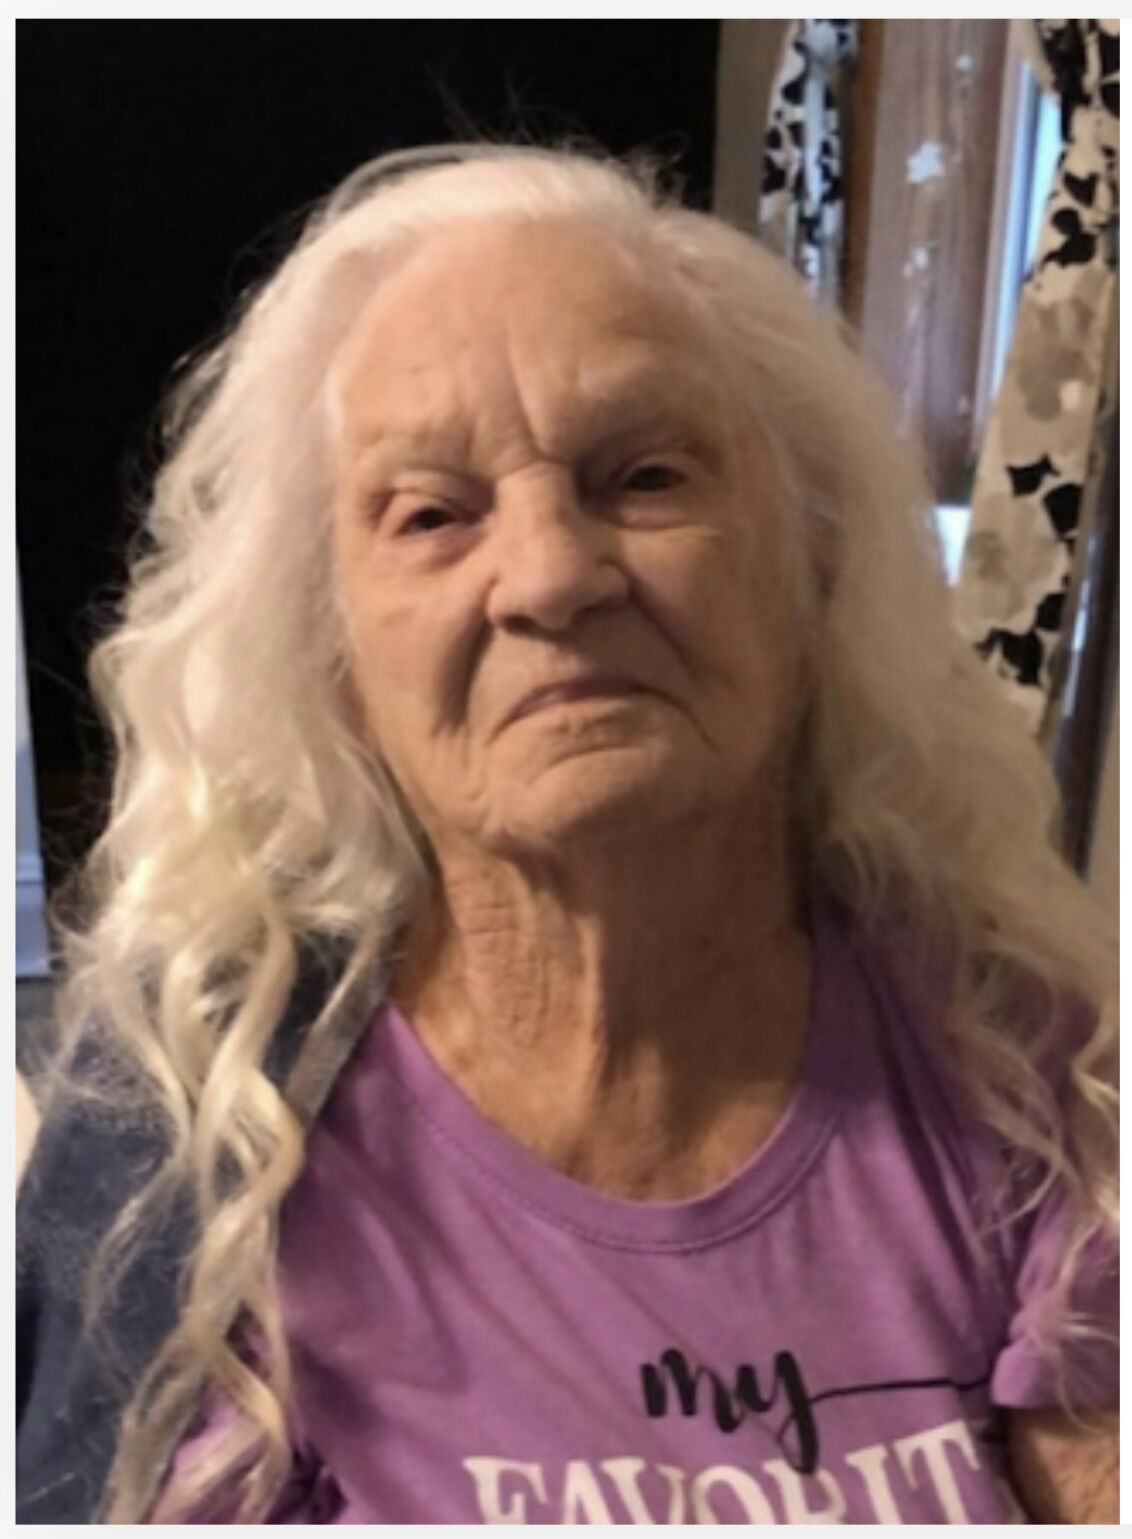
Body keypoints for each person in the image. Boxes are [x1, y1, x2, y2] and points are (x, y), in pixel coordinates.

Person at [17, 144, 1117, 1525]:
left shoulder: (1032, 1071)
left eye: (645, 478)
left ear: (812, 564)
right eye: (431, 514)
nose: (548, 574)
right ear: (333, 655)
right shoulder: (187, 1141)